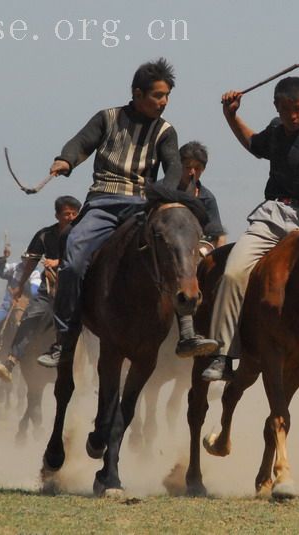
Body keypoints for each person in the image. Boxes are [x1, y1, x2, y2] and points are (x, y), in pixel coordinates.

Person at [37, 58, 218, 369]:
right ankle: (64, 339)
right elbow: (81, 142)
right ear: (137, 93)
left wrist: (161, 193)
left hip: (143, 204)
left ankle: (187, 331)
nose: (164, 102)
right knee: (74, 256)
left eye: (167, 96)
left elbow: (173, 167)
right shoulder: (107, 118)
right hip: (103, 203)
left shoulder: (165, 131)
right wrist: (65, 160)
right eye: (158, 95)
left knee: (176, 252)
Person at [201, 76, 299, 409]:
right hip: (272, 215)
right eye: (286, 110)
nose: (292, 116)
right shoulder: (274, 130)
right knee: (232, 272)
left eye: (298, 110)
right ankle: (223, 354)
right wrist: (231, 116)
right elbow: (253, 144)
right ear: (277, 107)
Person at [0, 196, 80, 380]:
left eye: (74, 214)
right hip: (50, 290)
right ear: (57, 215)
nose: (70, 217)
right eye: (66, 214)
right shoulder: (45, 235)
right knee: (31, 315)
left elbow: (89, 257)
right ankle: (11, 361)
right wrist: (19, 286)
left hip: (78, 289)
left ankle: (95, 372)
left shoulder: (84, 234)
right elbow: (30, 263)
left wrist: (59, 262)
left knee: (96, 326)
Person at [177, 141, 227, 254]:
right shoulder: (165, 190)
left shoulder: (207, 198)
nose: (191, 172)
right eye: (187, 167)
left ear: (203, 170)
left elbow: (218, 236)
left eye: (197, 168)